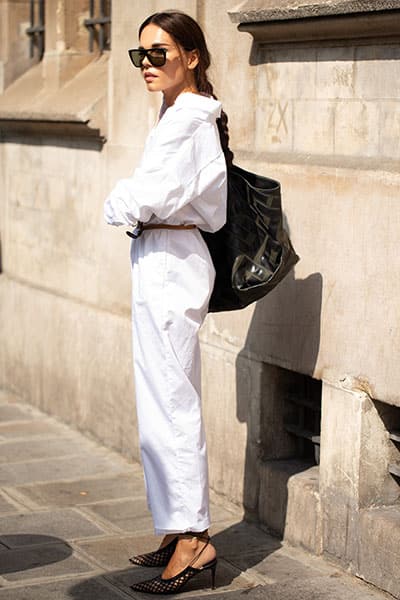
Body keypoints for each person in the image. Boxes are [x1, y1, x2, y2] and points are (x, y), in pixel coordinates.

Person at [104, 10, 230, 594]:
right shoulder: (175, 114)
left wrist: (121, 200)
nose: (148, 65)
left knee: (172, 399)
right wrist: (134, 201)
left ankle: (196, 541)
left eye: (160, 53)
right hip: (161, 257)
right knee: (157, 396)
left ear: (192, 56)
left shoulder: (191, 119)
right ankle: (176, 525)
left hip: (173, 261)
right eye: (141, 56)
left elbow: (148, 193)